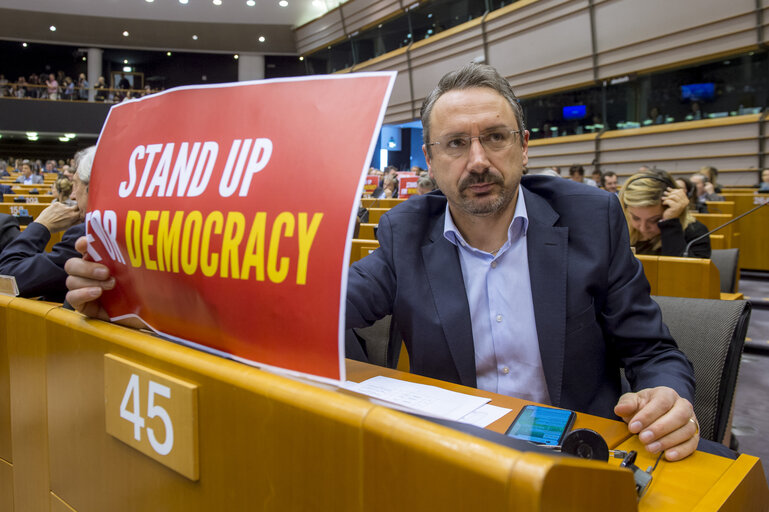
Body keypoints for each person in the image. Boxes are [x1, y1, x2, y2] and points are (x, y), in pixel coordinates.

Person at [65, 63, 705, 461]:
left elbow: (652, 351)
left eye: (495, 137)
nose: (477, 159)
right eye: (456, 143)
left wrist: (669, 396)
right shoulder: (406, 231)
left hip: (577, 458)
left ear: (524, 148)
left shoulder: (591, 218)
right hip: (457, 460)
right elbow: (303, 313)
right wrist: (149, 303)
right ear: (430, 161)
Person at [0, 147, 94, 302]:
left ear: (93, 189)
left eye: (76, 185)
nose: (72, 195)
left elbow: (6, 280)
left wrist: (41, 225)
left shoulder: (87, 235)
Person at [619, 170, 710, 258]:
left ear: (670, 207)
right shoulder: (618, 230)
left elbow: (684, 272)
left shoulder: (695, 233)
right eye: (636, 218)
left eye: (655, 220)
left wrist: (670, 224)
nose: (643, 228)